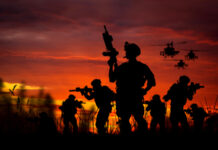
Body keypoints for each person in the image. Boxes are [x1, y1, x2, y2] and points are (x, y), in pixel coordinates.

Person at [108, 42, 156, 135]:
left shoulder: (126, 67)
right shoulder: (141, 67)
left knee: (130, 120)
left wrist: (111, 66)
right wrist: (145, 90)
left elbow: (111, 79)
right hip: (129, 96)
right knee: (133, 120)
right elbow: (152, 81)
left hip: (127, 97)